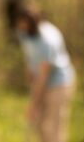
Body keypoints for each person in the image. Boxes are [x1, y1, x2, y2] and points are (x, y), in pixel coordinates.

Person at [15, 7, 75, 142]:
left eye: (24, 23)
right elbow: (29, 57)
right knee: (39, 125)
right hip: (40, 80)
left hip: (59, 83)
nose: (20, 26)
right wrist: (30, 74)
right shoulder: (23, 33)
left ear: (32, 23)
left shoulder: (48, 40)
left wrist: (33, 103)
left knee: (52, 126)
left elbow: (43, 74)